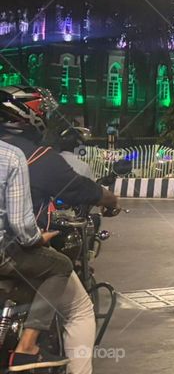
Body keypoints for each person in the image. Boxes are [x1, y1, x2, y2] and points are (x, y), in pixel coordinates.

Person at [1, 91, 120, 374]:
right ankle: (34, 350)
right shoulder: (34, 156)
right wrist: (111, 201)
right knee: (78, 308)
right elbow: (82, 189)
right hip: (11, 251)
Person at [0, 86, 72, 371]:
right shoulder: (12, 156)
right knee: (60, 266)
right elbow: (21, 225)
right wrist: (36, 238)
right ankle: (28, 345)